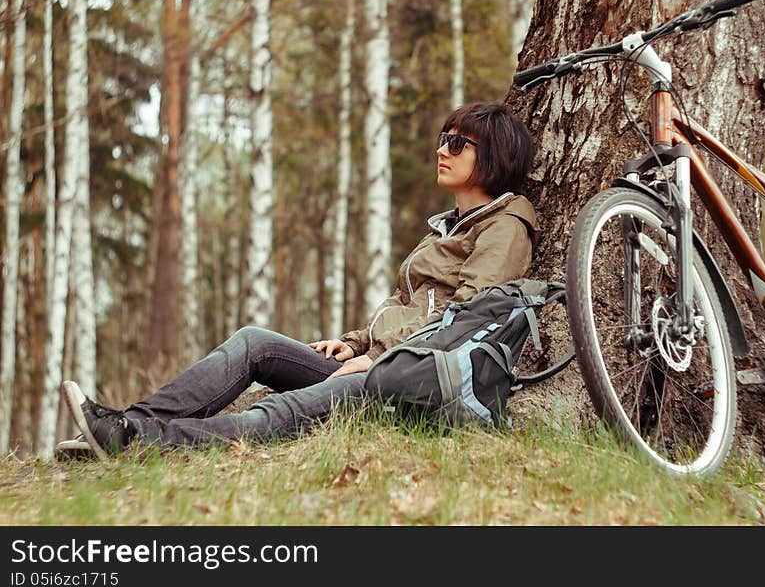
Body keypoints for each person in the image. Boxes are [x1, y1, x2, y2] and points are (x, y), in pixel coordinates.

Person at [60, 101, 539, 459]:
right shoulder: (446, 227)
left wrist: (379, 356)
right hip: (384, 363)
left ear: (494, 155)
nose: (442, 150)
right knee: (254, 343)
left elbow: (467, 318)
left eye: (458, 143)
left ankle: (134, 442)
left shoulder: (506, 225)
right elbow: (407, 302)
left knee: (282, 412)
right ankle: (127, 424)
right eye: (443, 138)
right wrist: (354, 344)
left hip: (413, 384)